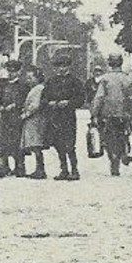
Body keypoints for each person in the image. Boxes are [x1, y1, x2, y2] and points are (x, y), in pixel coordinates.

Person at [90, 54, 132, 176]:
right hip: (123, 113)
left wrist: (94, 113)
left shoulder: (105, 79)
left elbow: (99, 97)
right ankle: (122, 153)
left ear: (109, 63)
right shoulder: (127, 78)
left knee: (108, 138)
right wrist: (131, 113)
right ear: (121, 63)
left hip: (107, 113)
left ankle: (113, 159)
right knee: (123, 135)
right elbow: (131, 98)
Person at [0, 59, 29, 178]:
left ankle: (20, 167)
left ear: (19, 72)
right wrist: (1, 106)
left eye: (14, 71)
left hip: (16, 118)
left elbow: (25, 101)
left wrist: (15, 105)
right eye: (9, 71)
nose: (11, 73)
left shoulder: (23, 86)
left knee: (16, 142)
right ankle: (3, 166)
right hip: (5, 118)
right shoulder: (5, 85)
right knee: (2, 141)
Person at [42, 51, 81, 180]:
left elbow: (81, 99)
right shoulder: (51, 82)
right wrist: (50, 103)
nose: (61, 69)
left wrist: (69, 102)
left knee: (69, 144)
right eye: (59, 66)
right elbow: (44, 98)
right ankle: (63, 170)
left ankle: (74, 170)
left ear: (69, 67)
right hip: (55, 116)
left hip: (68, 116)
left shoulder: (75, 81)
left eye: (64, 66)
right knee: (58, 144)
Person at [18, 66, 49, 179]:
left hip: (35, 120)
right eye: (27, 78)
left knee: (36, 145)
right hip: (32, 120)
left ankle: (40, 169)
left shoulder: (38, 89)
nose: (28, 80)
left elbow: (35, 105)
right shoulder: (35, 89)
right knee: (33, 144)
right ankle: (37, 168)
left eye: (30, 78)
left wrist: (25, 114)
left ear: (37, 78)